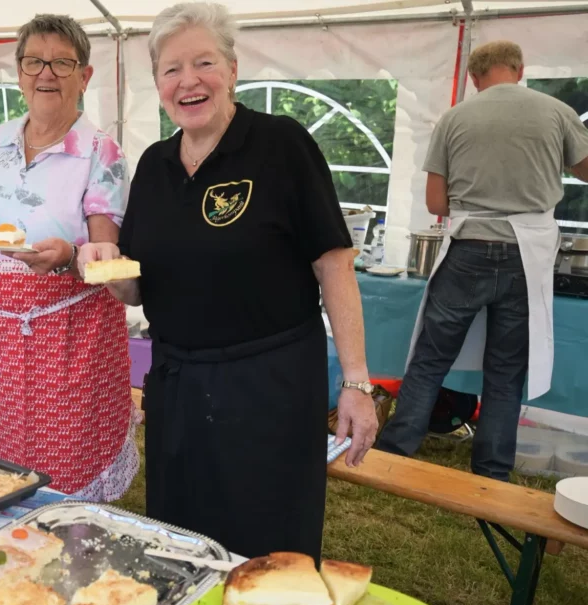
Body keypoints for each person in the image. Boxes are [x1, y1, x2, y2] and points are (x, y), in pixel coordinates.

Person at [80, 2, 377, 561]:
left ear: (233, 70)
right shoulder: (155, 165)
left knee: (266, 549)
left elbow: (333, 263)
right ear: (158, 84)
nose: (188, 81)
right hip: (179, 391)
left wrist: (357, 383)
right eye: (171, 69)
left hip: (268, 388)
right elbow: (139, 286)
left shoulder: (281, 145)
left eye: (204, 63)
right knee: (180, 543)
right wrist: (107, 270)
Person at [377, 41, 588, 481]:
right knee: (506, 371)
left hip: (469, 248)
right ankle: (491, 471)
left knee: (430, 358)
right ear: (519, 69)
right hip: (527, 256)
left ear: (474, 78)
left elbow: (437, 200)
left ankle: (394, 453)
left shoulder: (454, 118)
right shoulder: (555, 112)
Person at [0, 14, 136, 500]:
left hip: (67, 335)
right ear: (18, 72)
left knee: (66, 469)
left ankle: (73, 555)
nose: (47, 75)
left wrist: (68, 255)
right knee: (2, 467)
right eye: (34, 61)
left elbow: (105, 257)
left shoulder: (102, 151)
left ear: (85, 76)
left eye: (62, 63)